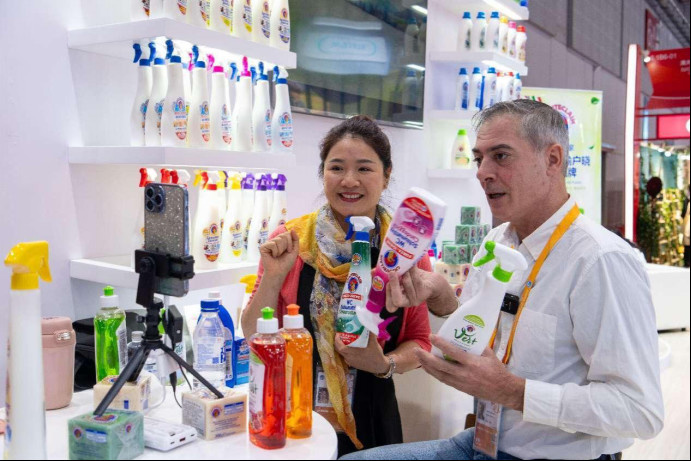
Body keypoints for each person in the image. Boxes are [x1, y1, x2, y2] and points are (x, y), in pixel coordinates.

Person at [342, 100, 664, 460]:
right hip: (483, 444)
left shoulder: (601, 260)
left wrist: (515, 392)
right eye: (479, 158)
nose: (482, 172)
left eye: (501, 156)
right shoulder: (497, 241)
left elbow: (640, 410)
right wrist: (439, 295)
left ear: (553, 160)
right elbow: (481, 331)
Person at [241, 115, 433, 457]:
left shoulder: (404, 251)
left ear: (386, 176)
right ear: (322, 173)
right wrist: (273, 275)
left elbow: (420, 342)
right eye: (336, 168)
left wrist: (383, 364)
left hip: (373, 416)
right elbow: (255, 332)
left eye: (364, 168)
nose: (349, 181)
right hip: (295, 413)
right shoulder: (291, 241)